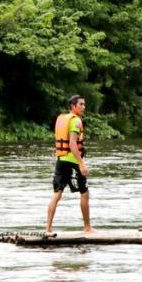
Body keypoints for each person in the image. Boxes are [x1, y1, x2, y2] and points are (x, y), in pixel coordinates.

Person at [46, 94, 93, 234]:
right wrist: (82, 164)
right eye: (81, 104)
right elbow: (73, 144)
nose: (84, 107)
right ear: (73, 106)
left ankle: (48, 228)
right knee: (84, 193)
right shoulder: (76, 121)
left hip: (61, 160)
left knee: (57, 193)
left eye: (84, 104)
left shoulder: (62, 118)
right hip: (73, 161)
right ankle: (87, 228)